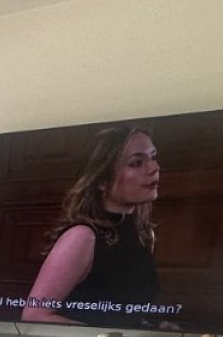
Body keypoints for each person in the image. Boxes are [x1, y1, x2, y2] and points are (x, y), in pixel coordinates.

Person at [21, 125, 161, 326]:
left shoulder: (142, 234)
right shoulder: (82, 236)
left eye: (153, 157)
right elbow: (34, 315)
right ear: (102, 180)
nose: (154, 168)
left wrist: (149, 329)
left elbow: (124, 314)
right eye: (136, 163)